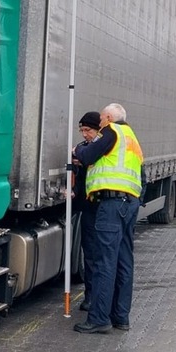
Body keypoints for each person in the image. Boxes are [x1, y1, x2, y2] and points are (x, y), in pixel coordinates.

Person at [72, 103, 144, 334]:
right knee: (124, 262)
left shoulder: (111, 130)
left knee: (105, 261)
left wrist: (77, 152)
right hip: (129, 203)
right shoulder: (131, 137)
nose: (100, 122)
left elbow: (89, 153)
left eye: (101, 118)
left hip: (112, 205)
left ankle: (99, 318)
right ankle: (121, 317)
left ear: (109, 117)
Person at [73, 111, 102, 312]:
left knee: (100, 256)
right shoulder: (82, 149)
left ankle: (97, 298)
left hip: (104, 208)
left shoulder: (104, 149)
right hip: (88, 209)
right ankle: (89, 296)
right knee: (89, 255)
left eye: (88, 130)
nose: (84, 134)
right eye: (82, 130)